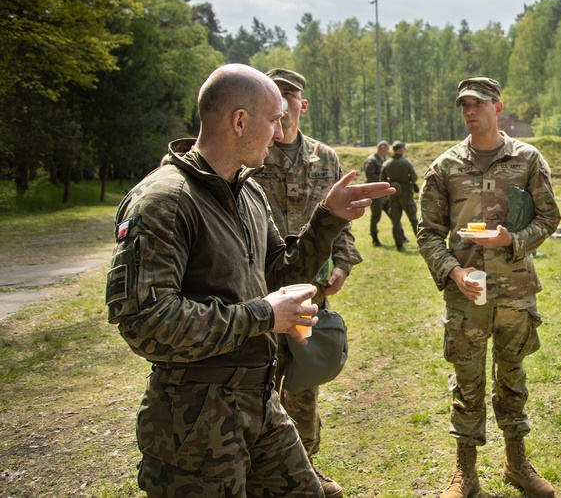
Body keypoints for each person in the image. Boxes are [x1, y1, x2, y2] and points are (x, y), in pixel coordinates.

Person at [105, 64, 393, 498]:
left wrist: (328, 219)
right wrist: (263, 315)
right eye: (274, 119)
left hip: (258, 400)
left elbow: (279, 271)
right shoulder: (164, 201)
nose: (281, 133)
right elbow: (148, 323)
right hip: (195, 422)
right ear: (240, 121)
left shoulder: (248, 192)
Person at [417, 77, 561, 498]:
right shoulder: (444, 167)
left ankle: (517, 464)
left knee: (513, 377)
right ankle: (466, 474)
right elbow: (428, 233)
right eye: (464, 105)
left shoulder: (527, 159)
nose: (470, 111)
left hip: (515, 291)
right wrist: (452, 272)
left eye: (478, 104)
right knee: (467, 380)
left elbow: (549, 218)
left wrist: (511, 241)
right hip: (467, 294)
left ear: (498, 108)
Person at [252, 68, 363, 498]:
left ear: (302, 104)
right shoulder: (252, 154)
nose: (283, 102)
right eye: (274, 94)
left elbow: (344, 221)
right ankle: (257, 470)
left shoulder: (324, 158)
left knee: (302, 383)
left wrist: (342, 263)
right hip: (258, 290)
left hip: (309, 292)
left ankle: (304, 468)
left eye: (290, 95)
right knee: (258, 380)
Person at [381, 140, 420, 250]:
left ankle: (399, 245)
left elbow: (382, 180)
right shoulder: (406, 162)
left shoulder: (386, 164)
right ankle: (422, 243)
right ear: (401, 149)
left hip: (393, 195)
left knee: (395, 221)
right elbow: (414, 177)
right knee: (413, 220)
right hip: (406, 194)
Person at [363, 140, 391, 246]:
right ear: (382, 147)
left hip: (384, 193)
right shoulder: (371, 160)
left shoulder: (384, 159)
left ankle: (401, 236)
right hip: (375, 193)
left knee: (393, 214)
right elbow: (369, 176)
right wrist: (384, 180)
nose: (388, 151)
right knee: (376, 216)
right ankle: (375, 239)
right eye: (387, 148)